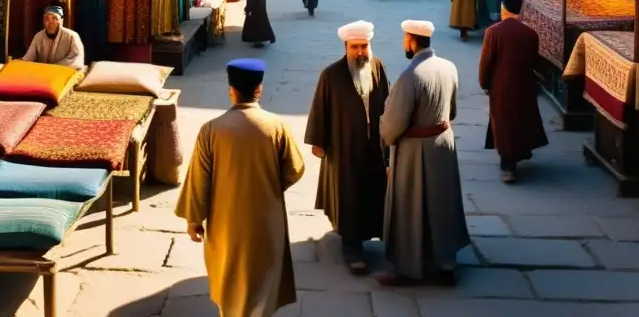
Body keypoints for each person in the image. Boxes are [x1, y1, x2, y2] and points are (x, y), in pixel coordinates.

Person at [176, 58, 304, 317]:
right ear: (260, 90)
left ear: (231, 90)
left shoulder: (211, 130)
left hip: (226, 224)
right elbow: (295, 169)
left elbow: (199, 180)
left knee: (230, 283)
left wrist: (193, 219)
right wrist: (268, 186)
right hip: (267, 222)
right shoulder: (276, 126)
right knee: (263, 282)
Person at [378, 20, 468, 287]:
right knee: (442, 203)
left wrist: (385, 137)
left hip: (414, 151)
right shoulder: (449, 67)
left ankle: (407, 268)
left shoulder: (410, 76)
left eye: (406, 38)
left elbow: (393, 124)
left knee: (410, 205)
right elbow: (451, 111)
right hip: (443, 144)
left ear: (412, 41)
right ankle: (446, 264)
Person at [304, 20, 390, 275]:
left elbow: (387, 99)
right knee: (349, 196)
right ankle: (352, 250)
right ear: (346, 47)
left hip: (374, 147)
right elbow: (320, 108)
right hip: (343, 148)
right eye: (355, 47)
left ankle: (373, 237)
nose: (361, 52)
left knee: (374, 193)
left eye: (364, 46)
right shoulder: (331, 74)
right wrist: (318, 142)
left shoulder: (377, 67)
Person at [478, 0, 548, 183]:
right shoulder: (530, 33)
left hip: (501, 86)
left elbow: (486, 63)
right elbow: (535, 62)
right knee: (520, 120)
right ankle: (518, 155)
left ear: (503, 9)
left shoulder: (493, 32)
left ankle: (508, 166)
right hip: (525, 85)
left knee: (504, 123)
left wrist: (484, 83)